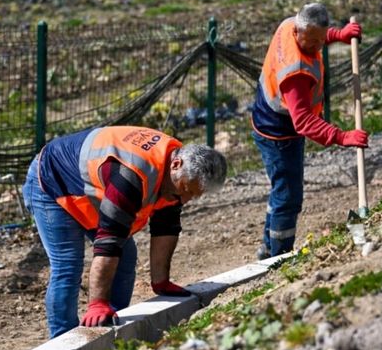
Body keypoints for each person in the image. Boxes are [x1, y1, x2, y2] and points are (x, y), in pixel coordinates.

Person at [22, 126, 228, 338]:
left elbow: (166, 225)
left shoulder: (174, 172)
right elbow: (109, 242)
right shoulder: (131, 175)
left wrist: (161, 282)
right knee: (68, 264)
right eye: (186, 191)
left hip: (88, 188)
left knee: (126, 256)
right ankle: (63, 339)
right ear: (176, 165)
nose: (185, 200)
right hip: (50, 181)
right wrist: (97, 302)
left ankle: (111, 325)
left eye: (193, 195)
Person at [251, 2, 369, 259]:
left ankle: (267, 248)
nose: (318, 46)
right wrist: (342, 137)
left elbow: (317, 33)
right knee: (288, 196)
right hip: (279, 133)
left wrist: (339, 35)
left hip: (266, 115)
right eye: (313, 41)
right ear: (298, 31)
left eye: (322, 40)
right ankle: (278, 256)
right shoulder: (296, 73)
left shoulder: (289, 24)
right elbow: (303, 122)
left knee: (281, 189)